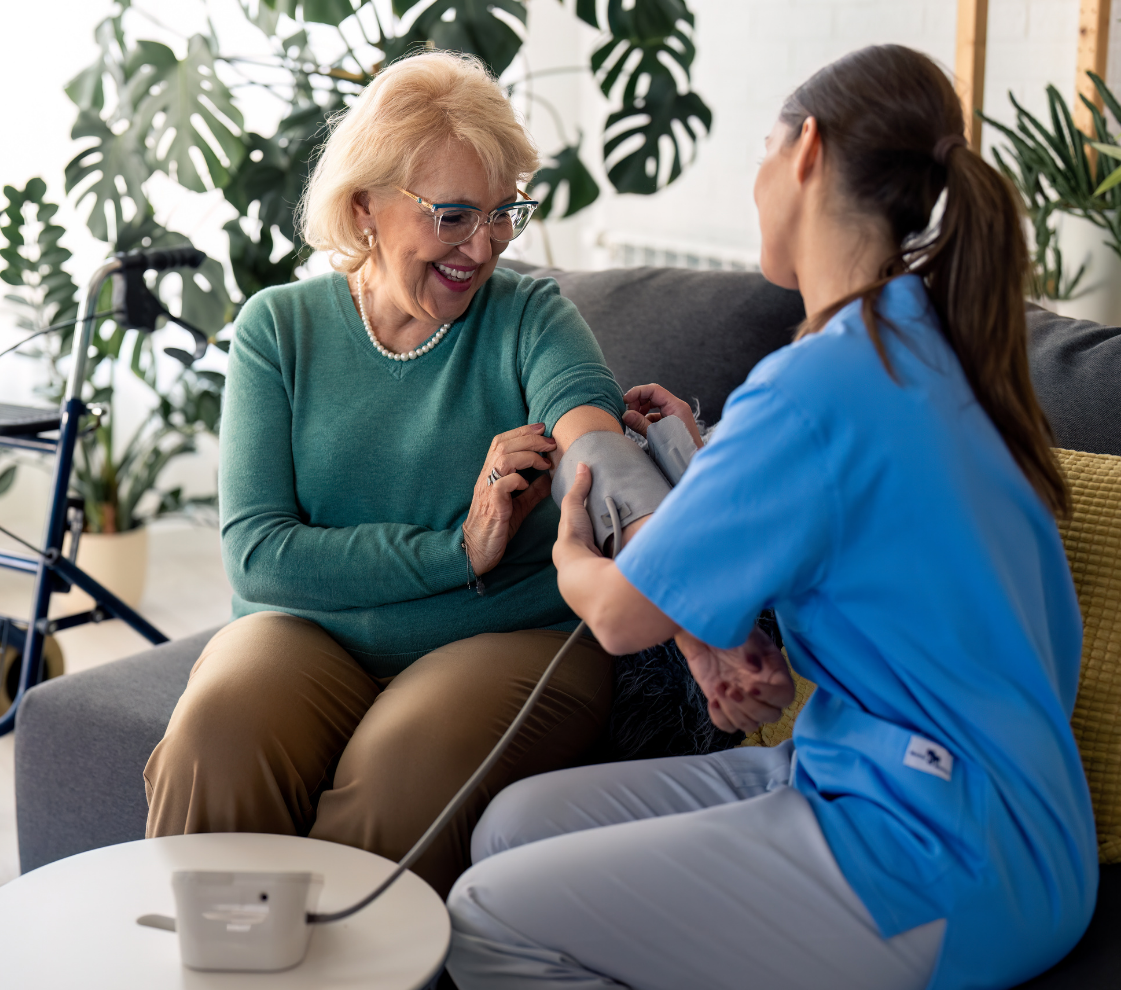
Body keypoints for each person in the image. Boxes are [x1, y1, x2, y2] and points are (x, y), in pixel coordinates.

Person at [444, 44, 1097, 990]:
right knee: (510, 826)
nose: (756, 178)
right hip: (960, 807)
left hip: (940, 853)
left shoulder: (820, 385)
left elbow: (624, 618)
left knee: (487, 913)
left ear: (806, 153)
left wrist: (573, 546)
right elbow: (881, 574)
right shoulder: (936, 347)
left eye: (761, 149)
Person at [144, 50, 643, 896]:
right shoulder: (279, 330)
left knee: (399, 772)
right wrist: (457, 550)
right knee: (213, 740)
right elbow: (260, 557)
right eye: (452, 216)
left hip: (506, 638)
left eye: (502, 214)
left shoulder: (530, 317)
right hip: (308, 631)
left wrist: (690, 586)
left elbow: (596, 440)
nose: (482, 247)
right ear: (364, 205)